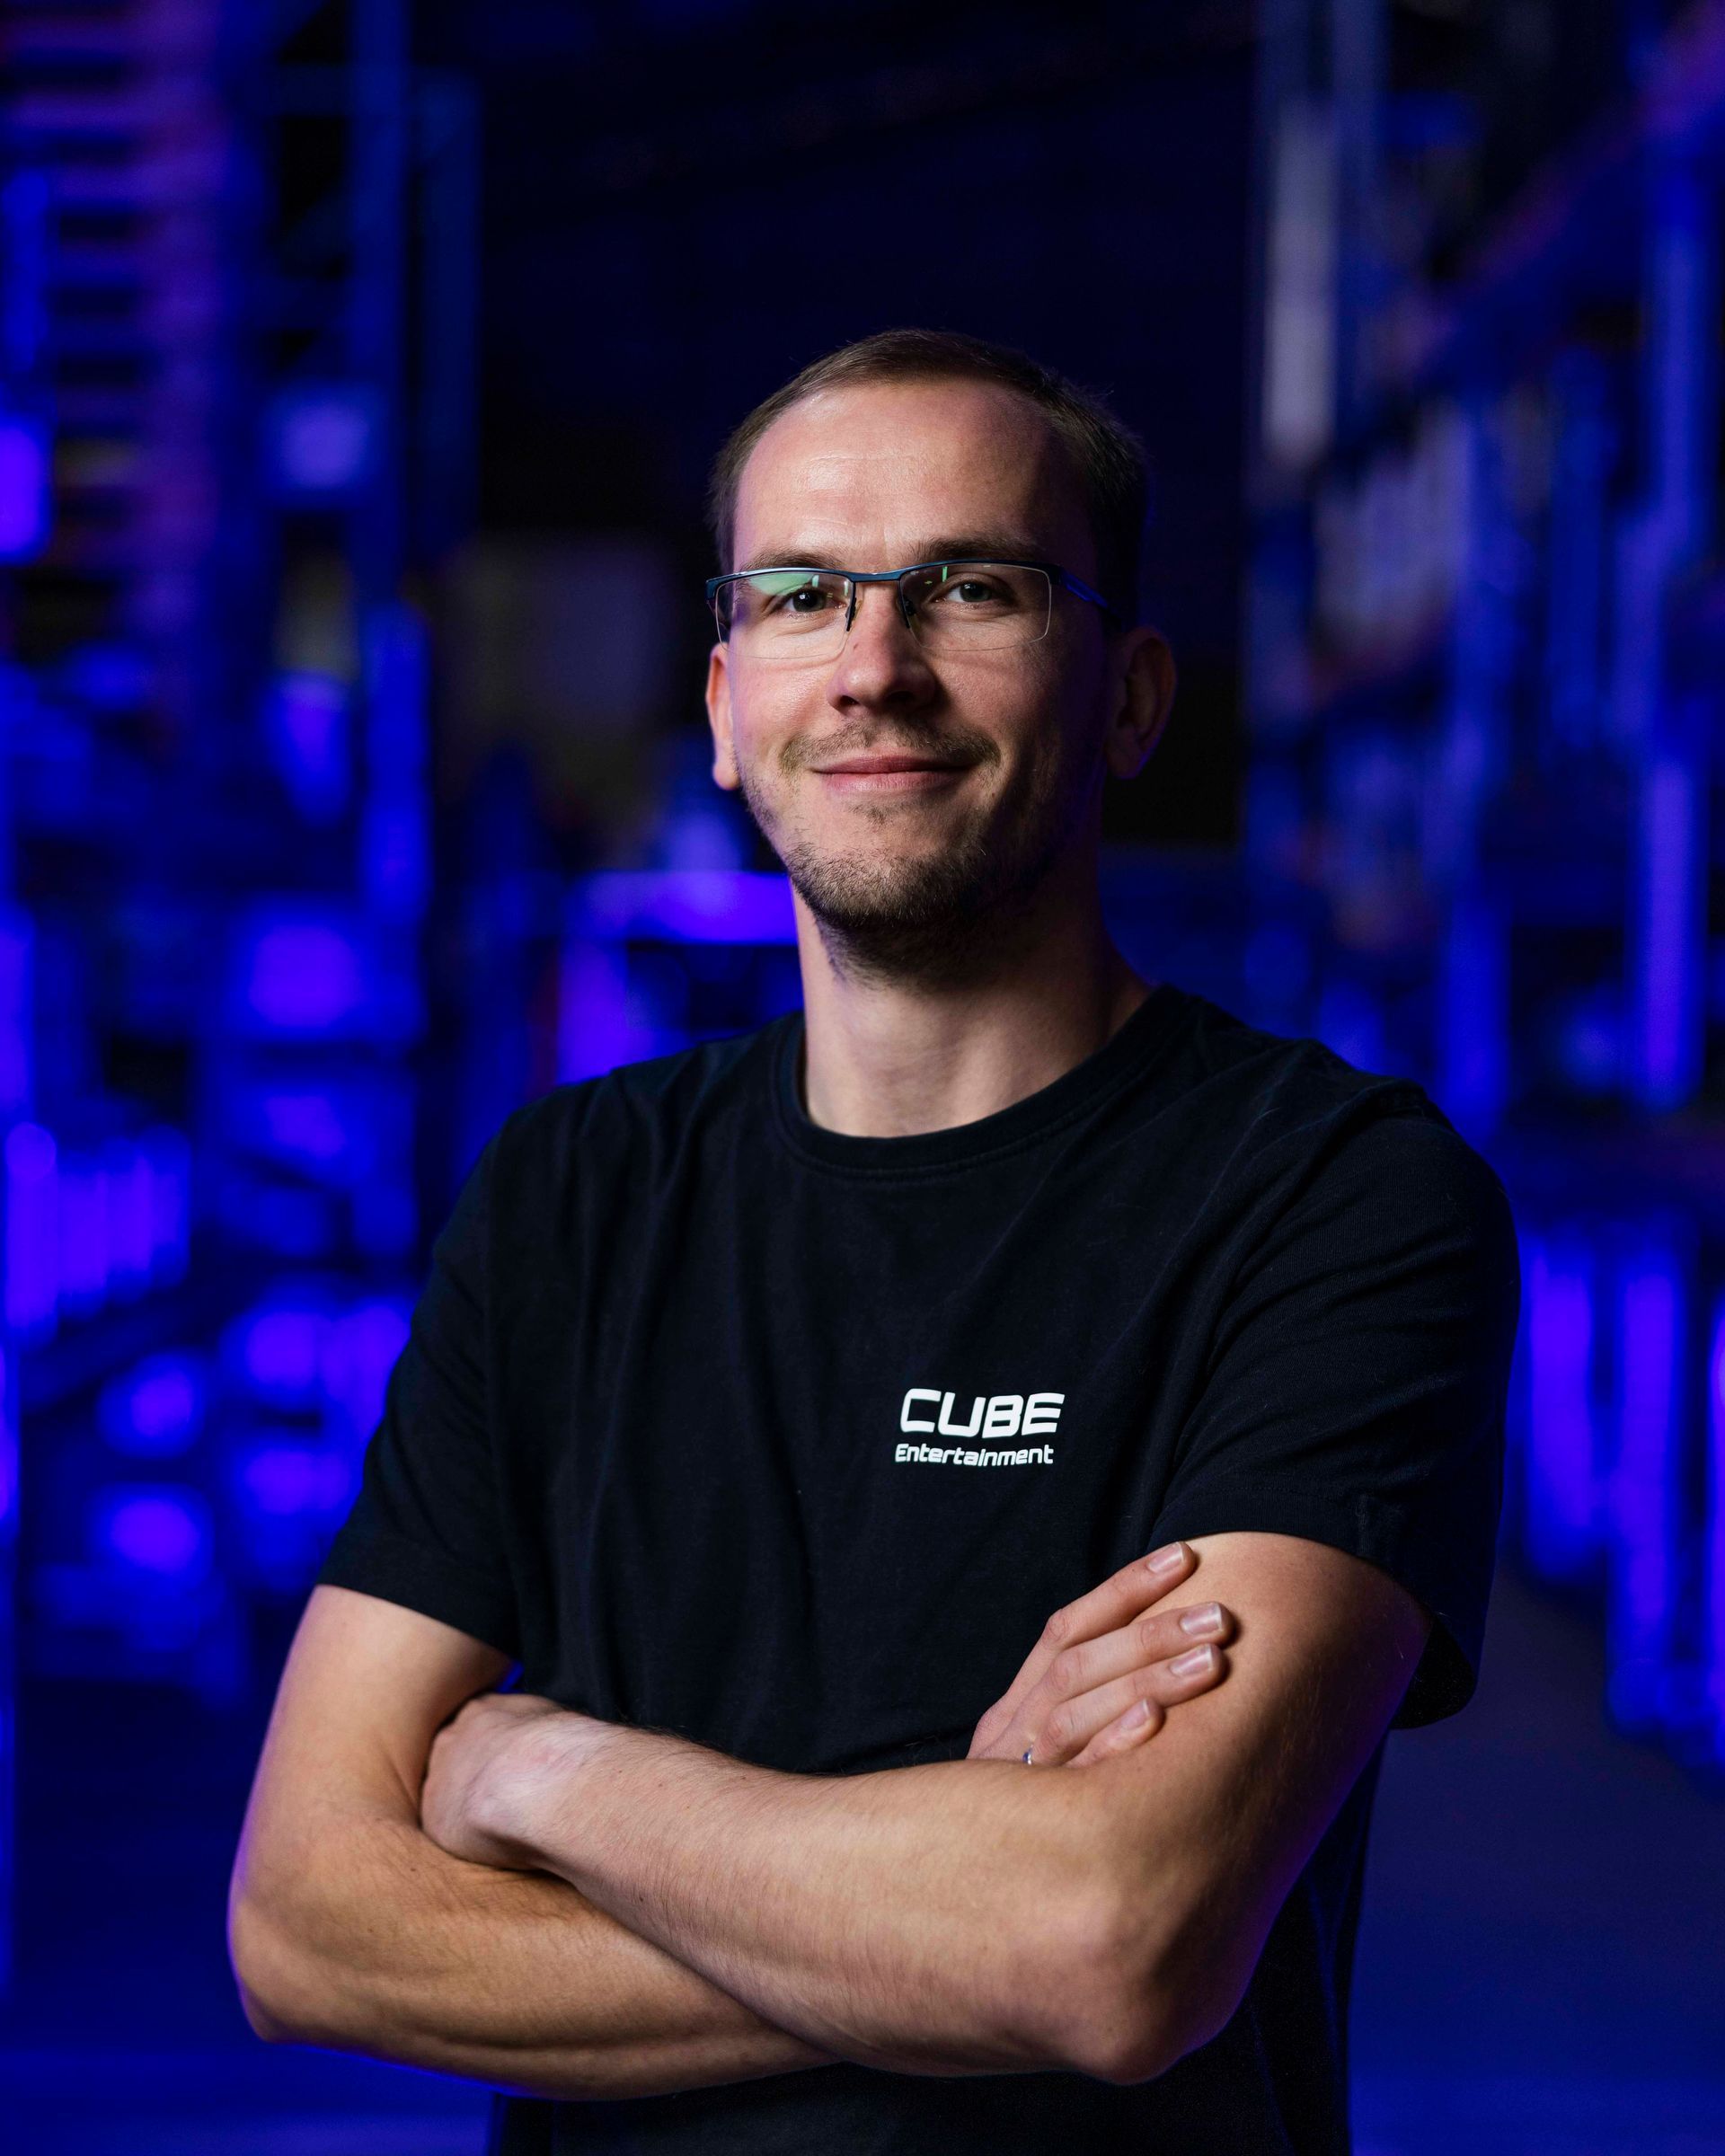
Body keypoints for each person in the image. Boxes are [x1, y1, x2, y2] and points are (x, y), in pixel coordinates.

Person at [227, 328, 1521, 2154]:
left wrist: (547, 1768)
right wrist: (941, 1903)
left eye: (972, 589)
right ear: (723, 702)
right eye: (800, 597)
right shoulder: (569, 1197)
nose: (874, 670)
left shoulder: (1337, 1199)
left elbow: (1113, 1944)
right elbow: (304, 1927)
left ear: (1133, 695)